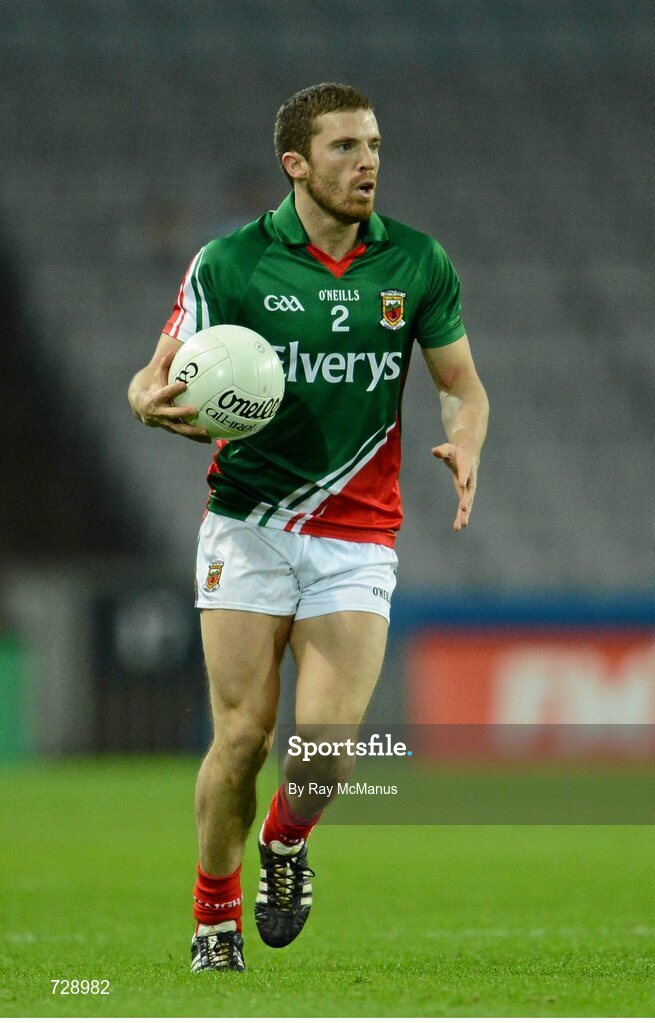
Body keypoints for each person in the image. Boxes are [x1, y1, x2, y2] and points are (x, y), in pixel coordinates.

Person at [127, 82, 489, 973]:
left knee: (326, 747)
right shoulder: (229, 264)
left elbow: (460, 383)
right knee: (243, 736)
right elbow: (156, 371)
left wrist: (465, 437)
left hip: (356, 533)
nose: (366, 162)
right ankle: (214, 916)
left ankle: (284, 844)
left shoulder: (415, 262)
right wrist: (144, 402)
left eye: (372, 145)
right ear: (295, 163)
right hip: (247, 522)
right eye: (343, 148)